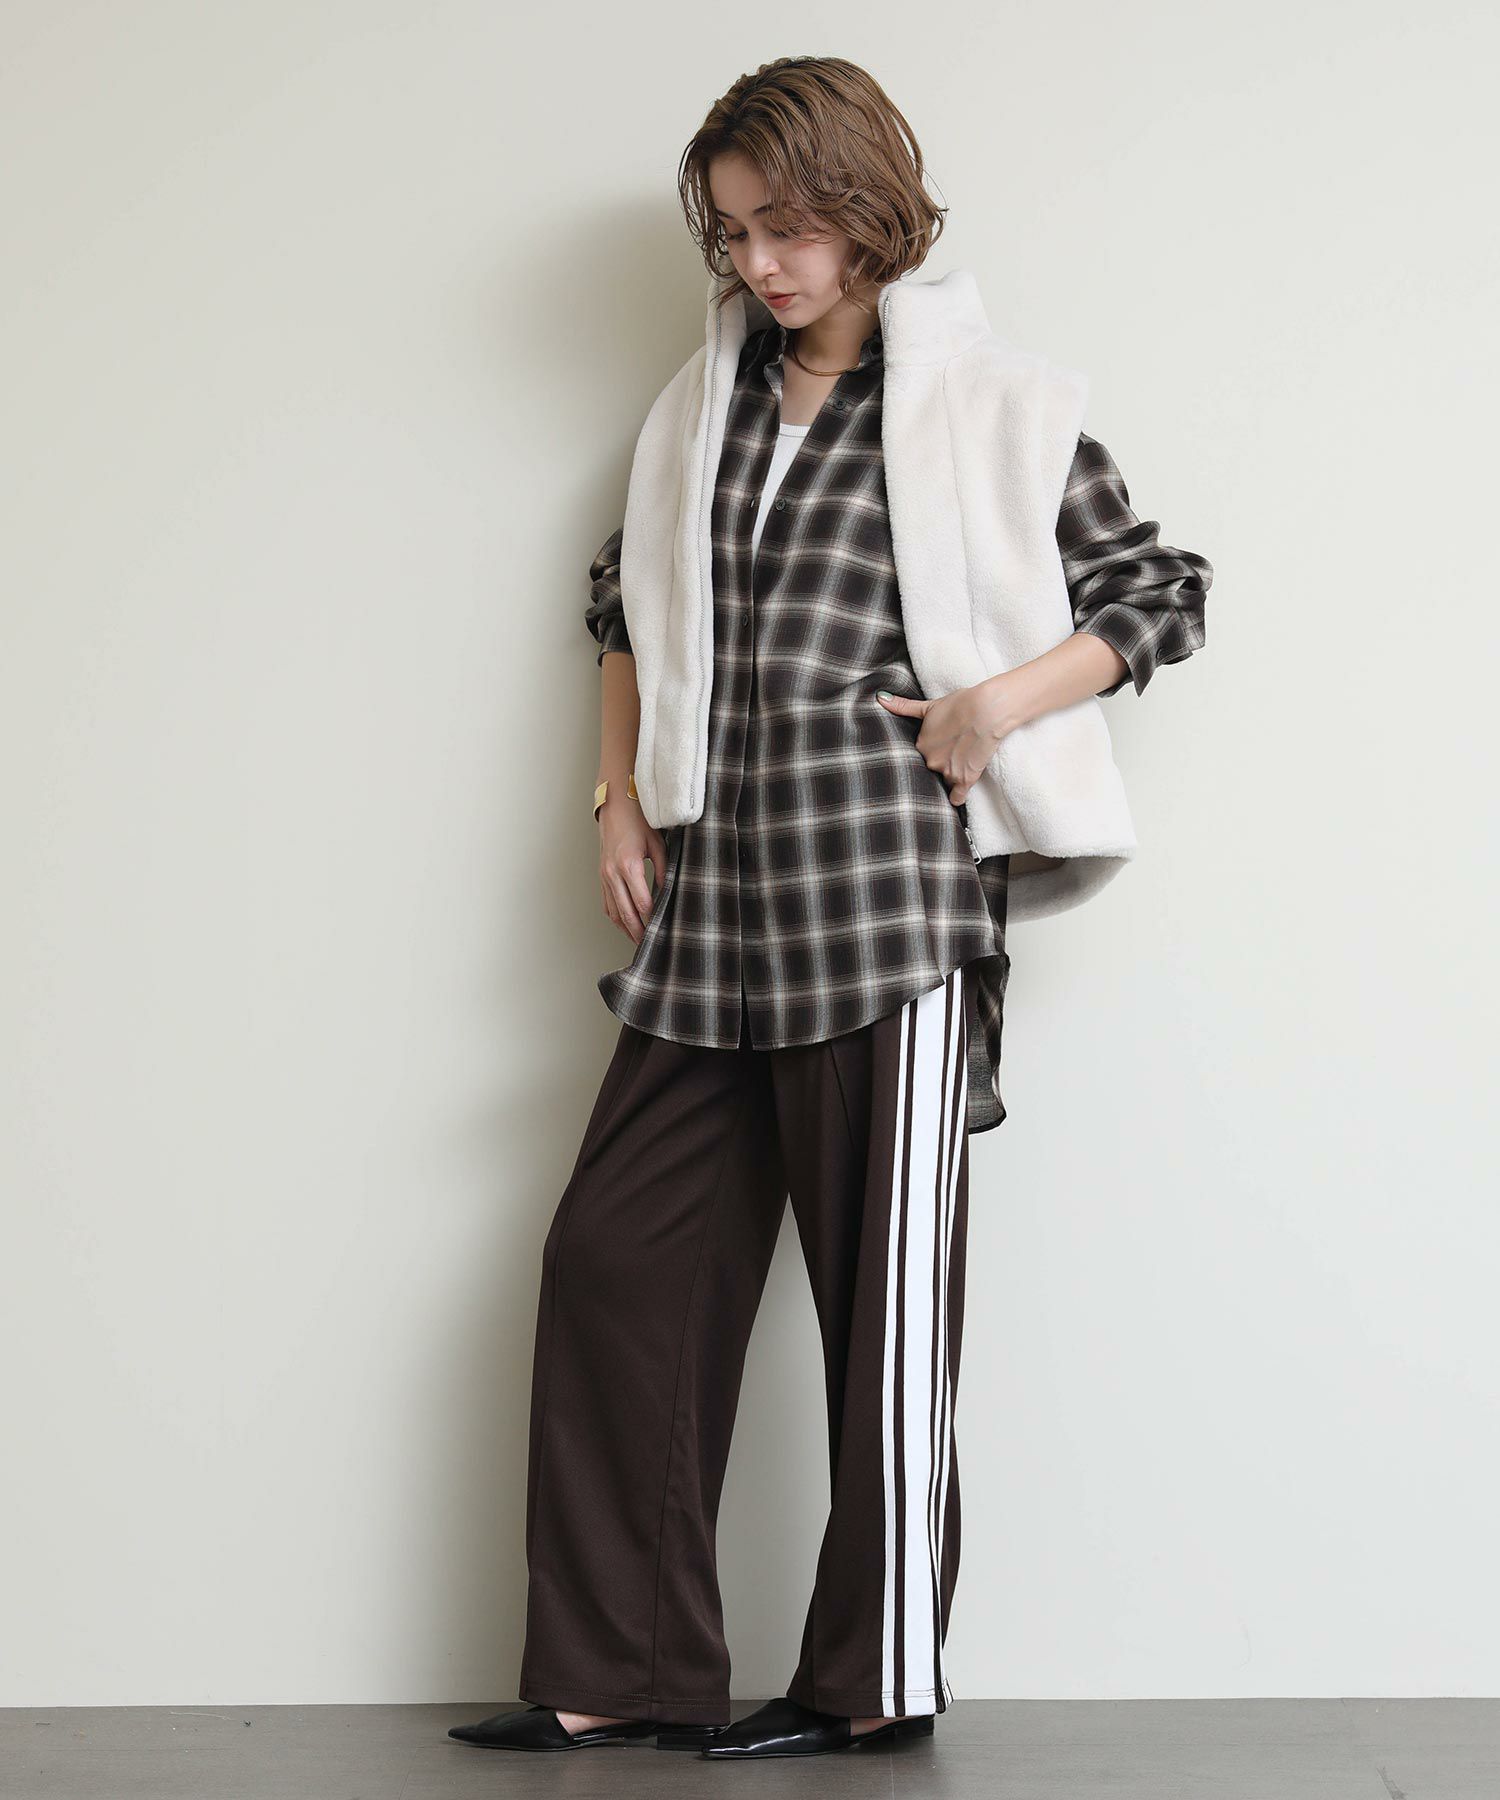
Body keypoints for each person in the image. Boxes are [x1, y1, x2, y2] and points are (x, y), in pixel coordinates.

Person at [449, 55, 1213, 1762]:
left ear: (869, 211)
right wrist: (614, 793)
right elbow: (623, 604)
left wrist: (994, 707)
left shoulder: (994, 406)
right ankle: (620, 1664)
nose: (760, 264)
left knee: (883, 1319)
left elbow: (1160, 589)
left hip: (887, 907)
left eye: (787, 227)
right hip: (717, 905)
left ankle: (869, 1683)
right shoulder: (698, 407)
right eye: (734, 235)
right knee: (614, 1259)